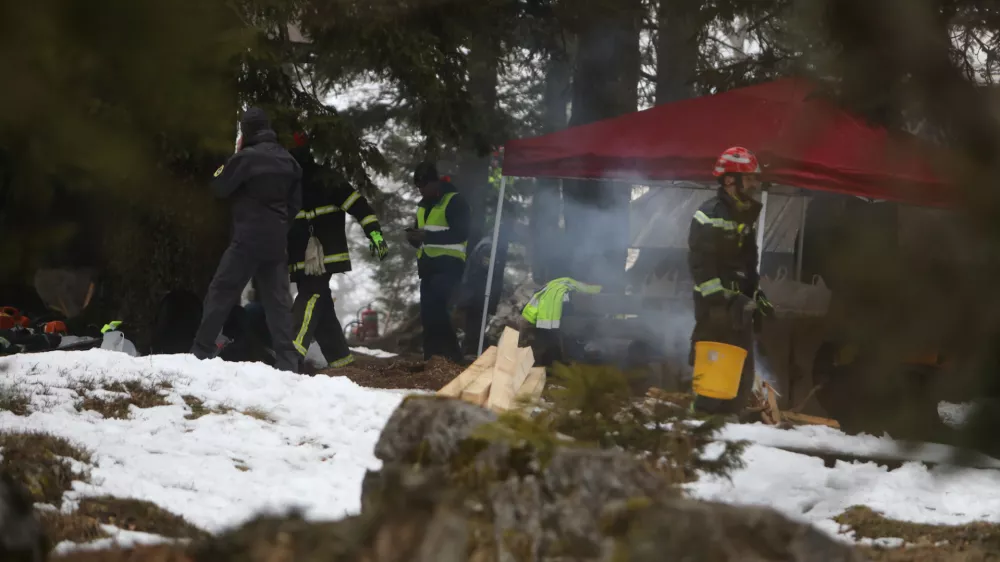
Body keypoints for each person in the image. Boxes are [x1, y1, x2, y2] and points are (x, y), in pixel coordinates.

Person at [190, 107, 303, 372]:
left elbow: (219, 187)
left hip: (246, 241)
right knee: (278, 302)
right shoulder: (289, 161)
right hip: (275, 243)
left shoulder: (245, 159)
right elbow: (295, 205)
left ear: (246, 130)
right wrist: (278, 226)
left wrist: (226, 162)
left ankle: (200, 352)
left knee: (221, 291)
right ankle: (288, 362)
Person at [286, 132, 388, 369]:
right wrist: (375, 236)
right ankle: (342, 361)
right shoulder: (289, 181)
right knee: (321, 304)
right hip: (304, 257)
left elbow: (359, 207)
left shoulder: (319, 179)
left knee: (311, 295)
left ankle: (292, 353)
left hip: (323, 258)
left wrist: (376, 235)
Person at [687, 146, 773, 415]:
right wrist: (718, 301)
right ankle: (702, 425)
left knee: (741, 372)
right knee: (714, 373)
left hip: (739, 306)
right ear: (729, 180)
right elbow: (701, 263)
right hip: (716, 308)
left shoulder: (743, 215)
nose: (754, 184)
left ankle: (731, 421)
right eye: (749, 179)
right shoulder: (710, 213)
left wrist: (755, 294)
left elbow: (748, 261)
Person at [406, 161, 469, 362]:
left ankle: (451, 357)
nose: (421, 191)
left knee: (438, 311)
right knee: (428, 314)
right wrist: (414, 238)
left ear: (435, 182)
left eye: (424, 186)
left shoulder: (455, 201)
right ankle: (432, 357)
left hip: (449, 266)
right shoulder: (422, 207)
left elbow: (461, 233)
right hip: (427, 267)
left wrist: (426, 236)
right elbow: (423, 236)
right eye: (418, 187)